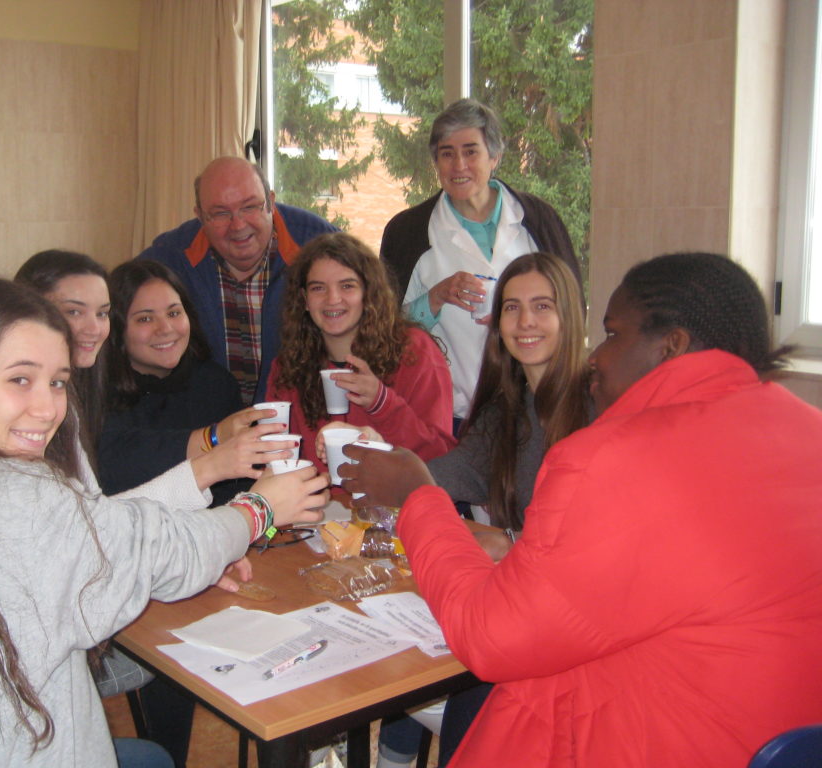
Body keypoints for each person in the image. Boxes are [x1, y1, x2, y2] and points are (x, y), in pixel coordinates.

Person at [0, 276, 327, 768]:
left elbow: (101, 532)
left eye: (57, 382)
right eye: (20, 379)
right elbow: (149, 547)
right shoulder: (6, 491)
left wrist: (194, 536)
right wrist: (258, 510)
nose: (48, 408)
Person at [342, 253, 822, 767]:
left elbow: (489, 637)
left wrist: (418, 498)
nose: (598, 356)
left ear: (672, 346)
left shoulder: (612, 455)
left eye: (613, 335)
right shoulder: (807, 428)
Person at [376, 251, 592, 768]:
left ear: (571, 316)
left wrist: (506, 544)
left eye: (542, 306)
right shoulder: (507, 410)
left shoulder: (593, 410)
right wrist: (382, 464)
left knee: (472, 683)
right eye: (512, 309)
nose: (526, 323)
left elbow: (591, 549)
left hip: (569, 630)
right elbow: (443, 477)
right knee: (410, 653)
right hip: (521, 597)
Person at [379, 98, 581, 429]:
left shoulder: (538, 220)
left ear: (495, 157)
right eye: (447, 153)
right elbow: (384, 331)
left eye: (471, 151)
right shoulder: (407, 232)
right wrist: (435, 298)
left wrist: (514, 312)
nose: (459, 165)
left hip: (537, 406)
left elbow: (572, 309)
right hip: (450, 414)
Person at [138, 156, 337, 405]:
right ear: (199, 216)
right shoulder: (168, 258)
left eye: (250, 207)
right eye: (220, 213)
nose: (238, 225)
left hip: (300, 421)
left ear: (271, 203)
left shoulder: (320, 244)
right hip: (206, 426)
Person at [100, 259, 295, 505]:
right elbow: (117, 467)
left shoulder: (214, 383)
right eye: (145, 319)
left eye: (174, 313)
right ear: (116, 328)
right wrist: (213, 438)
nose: (166, 328)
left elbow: (242, 487)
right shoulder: (97, 392)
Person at [266, 232, 455, 476]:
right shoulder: (289, 366)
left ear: (369, 293)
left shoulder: (414, 353)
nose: (333, 299)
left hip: (394, 508)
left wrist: (382, 403)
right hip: (315, 509)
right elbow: (278, 460)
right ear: (304, 300)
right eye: (318, 288)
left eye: (347, 286)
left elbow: (443, 460)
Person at [14, 249, 111, 462]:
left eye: (102, 314)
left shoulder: (85, 389)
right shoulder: (27, 404)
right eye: (74, 312)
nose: (94, 329)